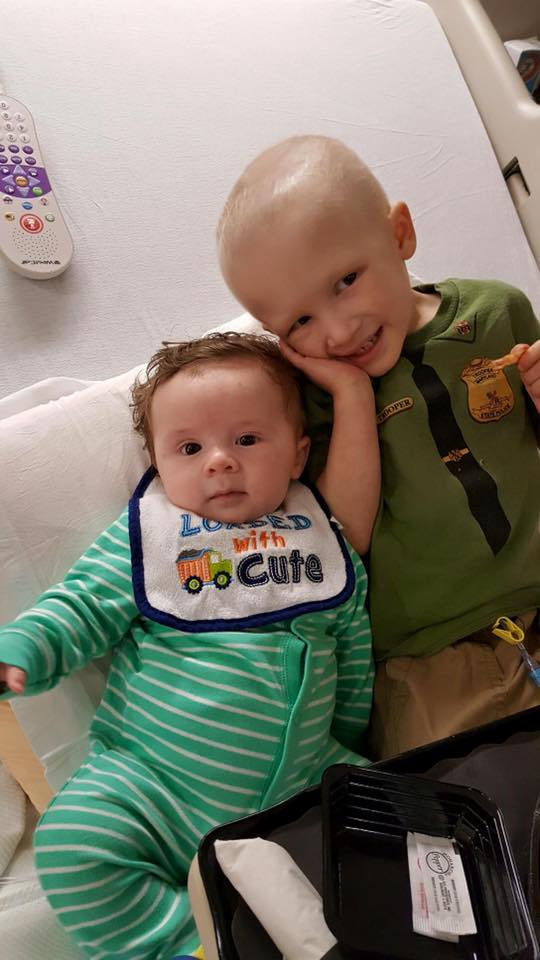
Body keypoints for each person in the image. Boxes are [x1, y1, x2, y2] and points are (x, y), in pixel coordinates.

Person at [0, 331, 374, 960]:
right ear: (158, 463)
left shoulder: (321, 540)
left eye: (247, 440)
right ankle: (197, 941)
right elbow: (80, 607)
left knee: (395, 829)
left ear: (298, 454)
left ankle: (266, 922)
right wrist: (22, 649)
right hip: (153, 788)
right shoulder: (151, 539)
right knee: (72, 844)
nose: (219, 461)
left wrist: (351, 744)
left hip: (305, 781)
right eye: (190, 448)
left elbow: (352, 647)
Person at [217, 134, 540, 759]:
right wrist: (351, 394)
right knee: (455, 801)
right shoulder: (313, 399)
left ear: (399, 236)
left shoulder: (498, 313)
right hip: (424, 660)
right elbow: (348, 532)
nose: (338, 333)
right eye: (299, 322)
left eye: (346, 281)